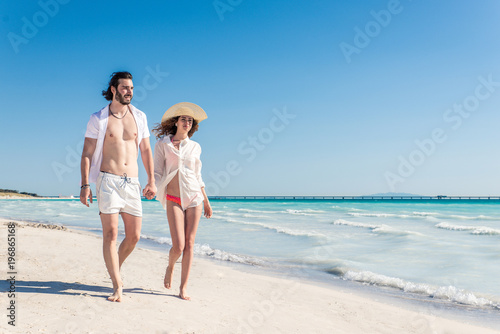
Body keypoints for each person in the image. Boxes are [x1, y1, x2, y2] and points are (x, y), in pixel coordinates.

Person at [80, 71, 157, 302]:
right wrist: (85, 184)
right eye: (124, 88)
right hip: (108, 180)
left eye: (132, 88)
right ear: (113, 89)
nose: (129, 92)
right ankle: (117, 285)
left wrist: (152, 180)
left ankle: (114, 267)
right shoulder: (99, 118)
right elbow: (87, 153)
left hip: (132, 182)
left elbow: (145, 150)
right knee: (111, 233)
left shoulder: (140, 117)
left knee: (134, 236)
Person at [153, 102, 212, 300]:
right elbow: (157, 171)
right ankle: (170, 266)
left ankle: (183, 287)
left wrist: (207, 201)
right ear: (176, 122)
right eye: (183, 119)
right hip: (173, 197)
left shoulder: (195, 147)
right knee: (178, 245)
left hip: (195, 197)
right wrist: (151, 185)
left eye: (190, 120)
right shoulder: (163, 144)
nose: (187, 122)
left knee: (190, 243)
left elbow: (198, 175)